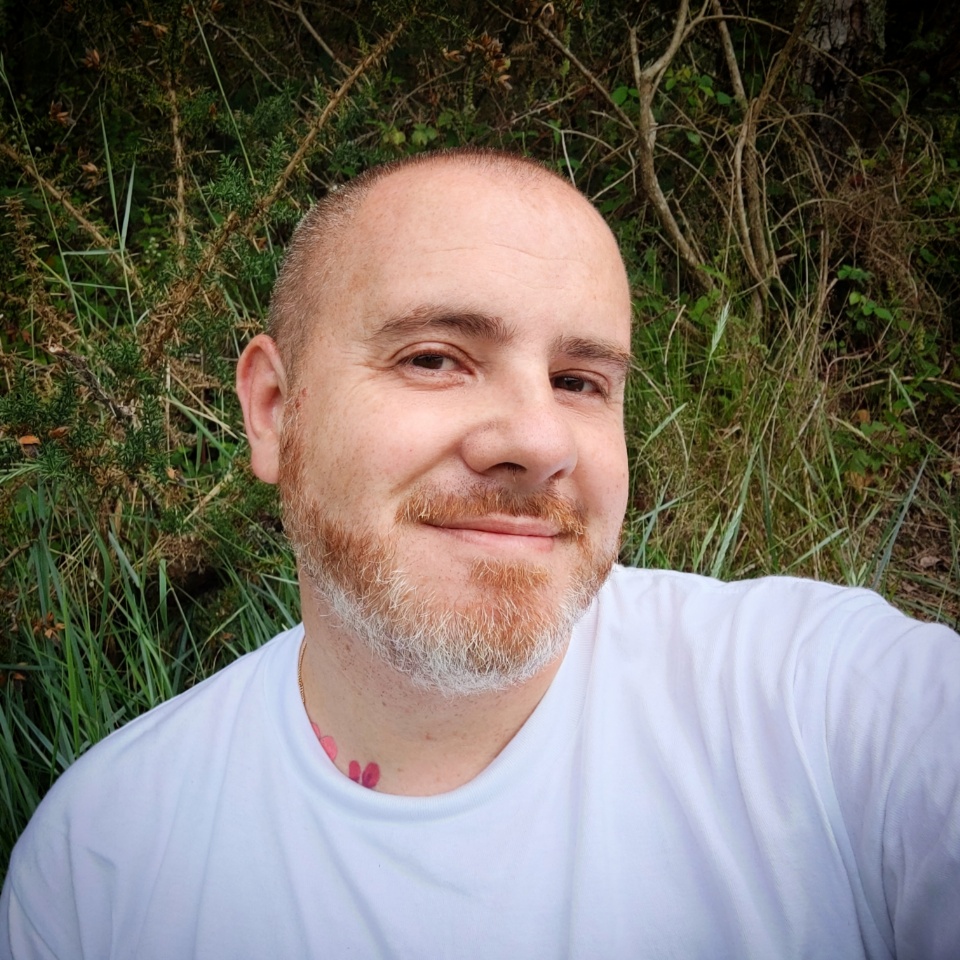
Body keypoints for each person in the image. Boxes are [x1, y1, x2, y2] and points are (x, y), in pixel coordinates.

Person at [2, 147, 959, 960]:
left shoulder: (824, 705)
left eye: (580, 381)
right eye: (433, 358)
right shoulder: (103, 865)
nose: (539, 441)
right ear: (274, 411)